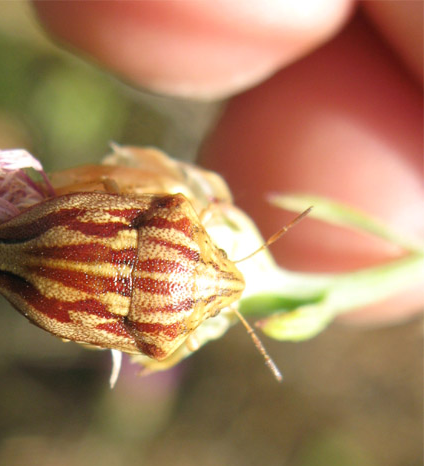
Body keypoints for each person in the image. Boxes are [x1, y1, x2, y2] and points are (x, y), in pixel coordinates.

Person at [34, 1, 423, 323]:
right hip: (53, 275)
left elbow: (171, 207)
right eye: (219, 251)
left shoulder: (176, 225)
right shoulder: (163, 306)